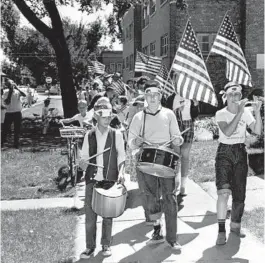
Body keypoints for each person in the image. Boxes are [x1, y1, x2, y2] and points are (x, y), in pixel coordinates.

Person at [128, 80, 183, 250]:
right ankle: (157, 229)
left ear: (160, 96)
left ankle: (172, 238)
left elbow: (177, 138)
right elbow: (131, 143)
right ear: (145, 96)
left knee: (170, 198)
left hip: (166, 160)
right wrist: (135, 141)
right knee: (150, 197)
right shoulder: (138, 117)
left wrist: (178, 139)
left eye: (156, 94)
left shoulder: (169, 114)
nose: (152, 97)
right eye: (149, 94)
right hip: (147, 159)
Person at [215, 82, 262, 246]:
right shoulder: (221, 113)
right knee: (223, 192)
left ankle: (235, 225)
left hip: (240, 152)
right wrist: (240, 112)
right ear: (225, 97)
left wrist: (257, 113)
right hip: (224, 153)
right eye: (231, 95)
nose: (235, 98)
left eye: (237, 95)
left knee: (240, 194)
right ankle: (221, 230)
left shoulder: (246, 113)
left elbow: (257, 131)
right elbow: (227, 132)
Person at [78, 97, 126, 259]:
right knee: (90, 217)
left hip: (109, 180)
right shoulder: (89, 135)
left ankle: (106, 244)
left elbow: (121, 156)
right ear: (96, 117)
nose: (107, 119)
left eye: (109, 116)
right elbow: (84, 158)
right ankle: (89, 247)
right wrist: (83, 164)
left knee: (107, 216)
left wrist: (121, 173)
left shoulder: (117, 135)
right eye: (103, 116)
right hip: (93, 180)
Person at [165, 93, 199, 196]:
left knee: (185, 156)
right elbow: (166, 113)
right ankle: (176, 183)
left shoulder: (191, 97)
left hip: (188, 125)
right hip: (175, 126)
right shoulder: (171, 98)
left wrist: (196, 105)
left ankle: (183, 186)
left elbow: (195, 114)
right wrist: (177, 110)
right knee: (175, 156)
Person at [1, 79, 26, 148]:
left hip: (17, 113)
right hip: (9, 113)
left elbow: (24, 95)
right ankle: (2, 142)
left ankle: (16, 144)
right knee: (5, 129)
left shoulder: (17, 91)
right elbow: (7, 102)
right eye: (9, 84)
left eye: (12, 83)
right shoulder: (5, 92)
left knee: (17, 129)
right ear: (7, 85)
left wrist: (17, 88)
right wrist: (10, 93)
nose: (11, 85)